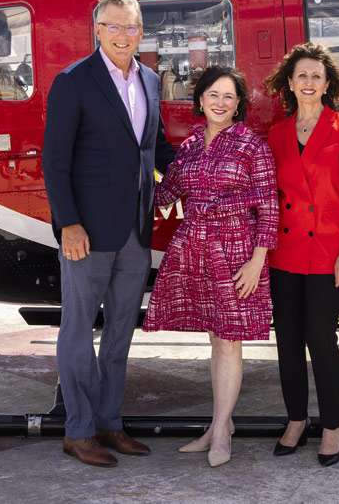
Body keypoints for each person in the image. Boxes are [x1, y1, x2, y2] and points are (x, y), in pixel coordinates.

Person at [42, 0, 176, 467]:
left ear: (142, 31)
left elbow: (154, 149)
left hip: (135, 232)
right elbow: (54, 163)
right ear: (97, 29)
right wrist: (69, 225)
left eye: (132, 27)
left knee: (120, 331)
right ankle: (78, 431)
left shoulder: (152, 80)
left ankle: (109, 423)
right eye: (114, 26)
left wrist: (199, 170)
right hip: (88, 232)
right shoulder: (73, 81)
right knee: (78, 332)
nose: (124, 35)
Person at [143, 66, 279, 467]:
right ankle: (221, 423)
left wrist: (257, 261)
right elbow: (166, 193)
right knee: (215, 339)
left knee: (230, 340)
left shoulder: (252, 146)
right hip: (196, 247)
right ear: (200, 100)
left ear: (239, 106)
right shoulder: (188, 148)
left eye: (229, 97)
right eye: (213, 95)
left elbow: (269, 208)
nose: (220, 103)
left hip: (238, 249)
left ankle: (220, 431)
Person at [263, 43, 339, 467]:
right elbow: (272, 197)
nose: (308, 83)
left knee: (321, 340)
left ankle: (333, 426)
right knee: (287, 340)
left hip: (327, 253)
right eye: (301, 75)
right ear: (290, 82)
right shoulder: (276, 134)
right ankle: (296, 420)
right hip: (285, 252)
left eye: (316, 77)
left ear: (328, 85)